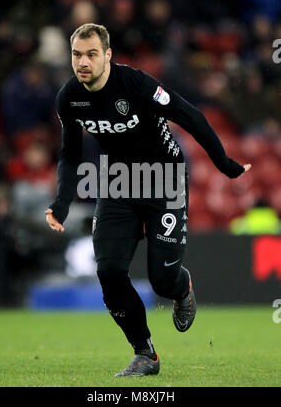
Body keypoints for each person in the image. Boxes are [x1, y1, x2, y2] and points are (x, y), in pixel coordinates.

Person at [45, 23, 251, 377]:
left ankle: (180, 286)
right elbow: (69, 154)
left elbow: (189, 114)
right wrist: (61, 203)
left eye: (92, 54)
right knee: (109, 270)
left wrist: (224, 164)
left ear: (108, 55)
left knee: (161, 280)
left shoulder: (136, 84)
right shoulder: (69, 98)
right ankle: (145, 353)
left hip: (164, 179)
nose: (83, 62)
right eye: (77, 55)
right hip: (118, 184)